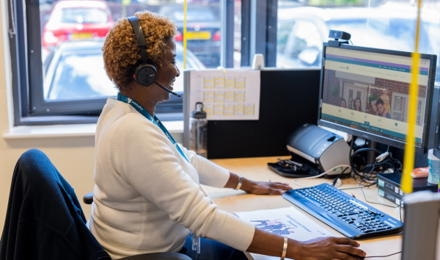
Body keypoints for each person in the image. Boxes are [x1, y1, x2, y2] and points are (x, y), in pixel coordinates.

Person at [88, 11, 366, 260]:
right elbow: (203, 218)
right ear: (145, 74)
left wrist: (246, 184)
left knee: (238, 250)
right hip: (145, 255)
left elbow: (187, 159)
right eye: (170, 61)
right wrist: (299, 250)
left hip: (156, 244)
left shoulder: (123, 111)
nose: (175, 71)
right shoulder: (133, 132)